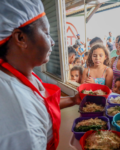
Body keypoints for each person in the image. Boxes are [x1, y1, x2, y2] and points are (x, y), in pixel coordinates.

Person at [0, 1, 80, 150]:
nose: (53, 42)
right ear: (21, 38)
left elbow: (41, 104)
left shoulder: (17, 72)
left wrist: (73, 100)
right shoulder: (24, 123)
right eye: (46, 33)